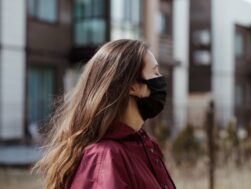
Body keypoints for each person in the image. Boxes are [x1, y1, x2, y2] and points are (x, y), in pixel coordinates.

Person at [31, 39, 177, 189]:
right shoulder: (105, 158)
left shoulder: (146, 145)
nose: (161, 79)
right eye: (155, 72)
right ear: (132, 87)